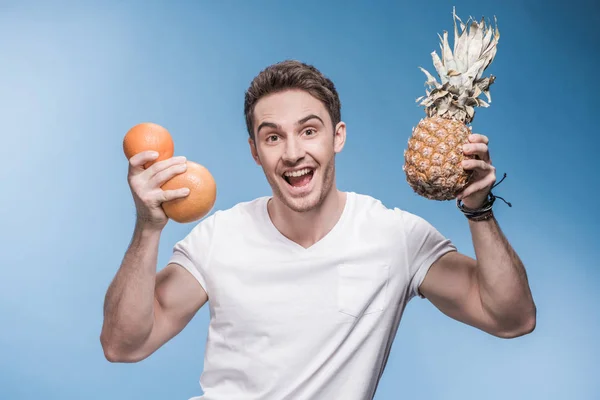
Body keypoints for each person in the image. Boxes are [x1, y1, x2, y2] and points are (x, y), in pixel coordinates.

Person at [100, 60, 536, 400]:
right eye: (273, 137)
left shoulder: (395, 237)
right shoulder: (219, 238)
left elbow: (512, 318)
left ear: (337, 137)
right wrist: (147, 228)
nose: (293, 153)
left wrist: (479, 210)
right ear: (255, 151)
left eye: (309, 131)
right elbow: (124, 345)